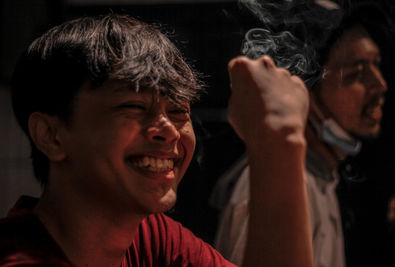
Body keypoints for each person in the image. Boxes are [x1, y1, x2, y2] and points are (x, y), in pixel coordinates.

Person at [0, 14, 313, 267]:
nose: (169, 130)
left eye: (178, 111)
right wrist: (277, 144)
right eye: (133, 106)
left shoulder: (150, 238)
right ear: (51, 136)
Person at [212, 1, 390, 266]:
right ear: (307, 92)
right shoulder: (278, 182)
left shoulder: (321, 179)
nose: (380, 85)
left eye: (377, 65)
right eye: (357, 73)